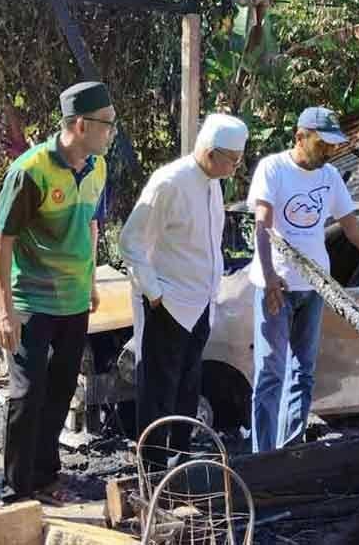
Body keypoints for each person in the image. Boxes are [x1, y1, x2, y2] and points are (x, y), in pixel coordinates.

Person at [248, 107, 359, 453]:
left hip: (314, 287)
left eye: (331, 145)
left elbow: (355, 230)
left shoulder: (329, 177)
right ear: (300, 137)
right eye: (321, 143)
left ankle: (290, 450)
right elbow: (263, 227)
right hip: (276, 289)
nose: (328, 151)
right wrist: (269, 279)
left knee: (303, 373)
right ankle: (262, 457)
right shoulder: (273, 169)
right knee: (271, 373)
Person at [0, 80, 114, 504]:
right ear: (80, 124)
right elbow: (2, 240)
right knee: (28, 392)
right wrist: (4, 311)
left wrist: (93, 280)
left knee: (61, 389)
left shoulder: (97, 166)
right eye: (106, 125)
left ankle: (45, 476)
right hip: (33, 302)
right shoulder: (31, 170)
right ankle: (17, 487)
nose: (112, 133)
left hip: (74, 300)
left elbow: (92, 225)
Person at [119, 114, 248, 470]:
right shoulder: (170, 182)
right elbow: (130, 241)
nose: (235, 169)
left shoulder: (212, 184)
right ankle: (153, 466)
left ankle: (179, 458)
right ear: (210, 153)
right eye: (232, 161)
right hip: (169, 303)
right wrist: (155, 293)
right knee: (159, 388)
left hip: (201, 302)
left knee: (188, 386)